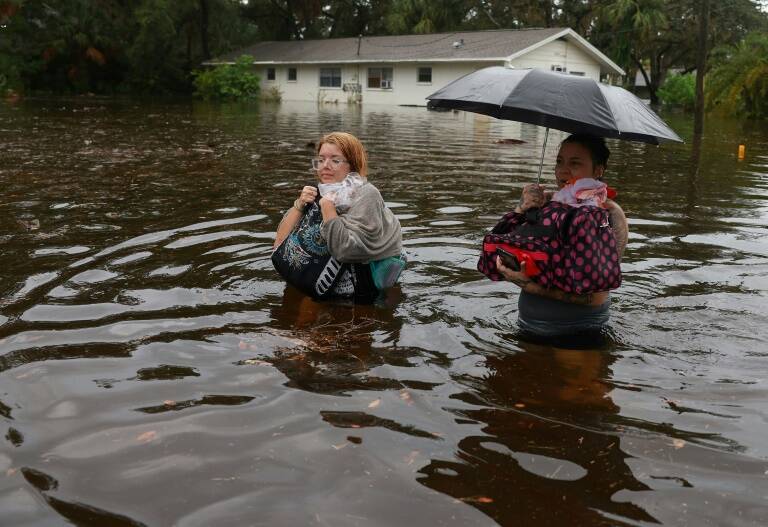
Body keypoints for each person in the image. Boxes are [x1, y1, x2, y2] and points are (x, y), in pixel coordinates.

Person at [495, 134, 629, 338]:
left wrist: (530, 287)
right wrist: (522, 208)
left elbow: (594, 296)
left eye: (575, 163)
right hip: (528, 325)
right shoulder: (546, 204)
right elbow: (501, 245)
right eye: (559, 161)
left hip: (578, 331)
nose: (562, 171)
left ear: (598, 169)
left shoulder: (608, 213)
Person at [273, 131, 403, 301]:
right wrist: (299, 205)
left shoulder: (366, 194)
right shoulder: (320, 191)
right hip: (317, 281)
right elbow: (279, 245)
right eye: (321, 160)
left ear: (352, 165)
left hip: (358, 292)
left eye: (335, 160)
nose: (325, 166)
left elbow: (347, 251)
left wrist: (327, 208)